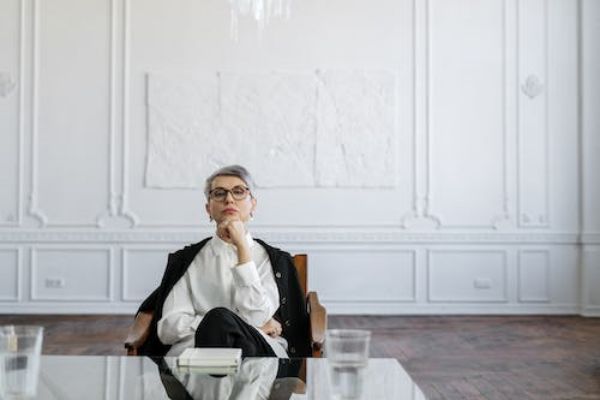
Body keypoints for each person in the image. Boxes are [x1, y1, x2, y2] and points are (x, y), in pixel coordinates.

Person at [136, 165, 310, 358]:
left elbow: (257, 314)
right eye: (219, 193)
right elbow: (168, 329)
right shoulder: (186, 261)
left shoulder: (275, 261)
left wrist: (242, 247)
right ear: (208, 208)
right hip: (199, 353)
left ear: (253, 204)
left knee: (226, 326)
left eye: (239, 191)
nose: (229, 199)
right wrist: (221, 324)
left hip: (259, 353)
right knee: (219, 318)